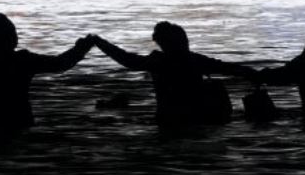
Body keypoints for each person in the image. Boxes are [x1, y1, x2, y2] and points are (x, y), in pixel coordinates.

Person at [93, 22, 258, 127]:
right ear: (183, 41)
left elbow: (127, 60)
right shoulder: (195, 60)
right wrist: (258, 76)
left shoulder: (157, 62)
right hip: (202, 118)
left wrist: (100, 43)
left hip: (170, 119)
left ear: (161, 43)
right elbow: (231, 68)